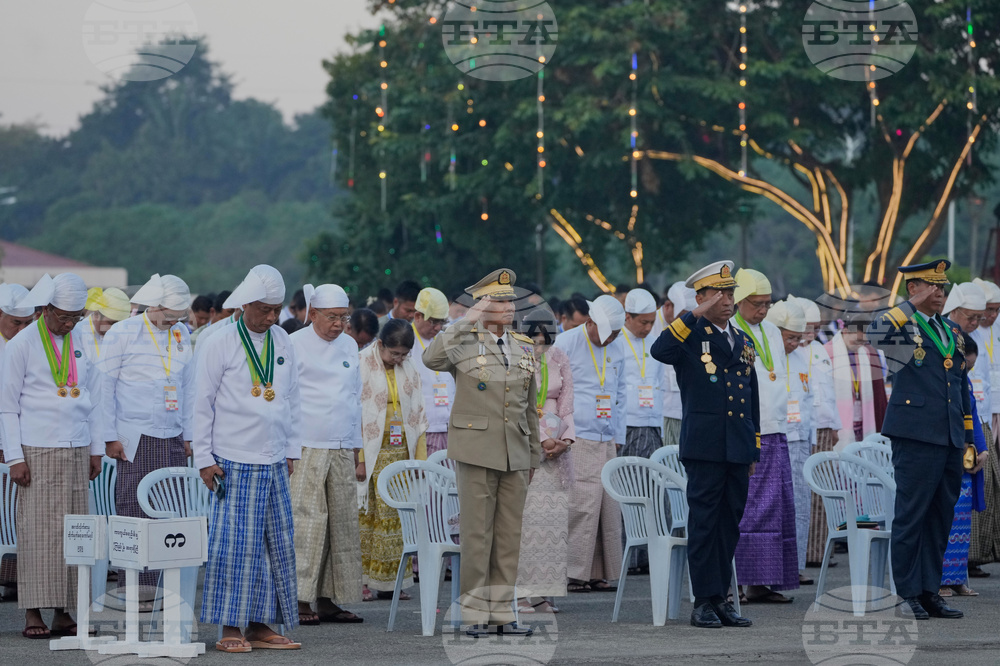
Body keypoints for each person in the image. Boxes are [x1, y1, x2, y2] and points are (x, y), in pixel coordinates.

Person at [423, 268, 540, 636]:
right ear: (482, 304)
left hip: (514, 450)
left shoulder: (524, 345)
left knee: (508, 536)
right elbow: (431, 358)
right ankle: (473, 614)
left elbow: (529, 405)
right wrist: (467, 318)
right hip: (476, 448)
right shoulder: (464, 340)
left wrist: (533, 453)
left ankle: (503, 613)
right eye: (499, 301)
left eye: (509, 300)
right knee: (477, 535)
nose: (508, 306)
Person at [193, 264, 302, 652]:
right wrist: (204, 458)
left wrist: (291, 450)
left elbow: (291, 399)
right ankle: (229, 630)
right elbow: (200, 404)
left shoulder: (282, 340)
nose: (272, 317)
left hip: (273, 458)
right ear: (244, 304)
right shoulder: (218, 340)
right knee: (235, 547)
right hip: (232, 459)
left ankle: (260, 626)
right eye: (264, 309)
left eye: (276, 310)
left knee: (275, 544)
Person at [651, 260, 757, 628]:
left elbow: (750, 395)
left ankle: (721, 598)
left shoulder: (743, 339)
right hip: (706, 446)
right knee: (704, 524)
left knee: (730, 524)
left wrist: (753, 444)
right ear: (701, 297)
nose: (727, 300)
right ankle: (702, 601)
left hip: (738, 445)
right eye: (719, 293)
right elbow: (660, 350)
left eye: (730, 293)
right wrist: (694, 313)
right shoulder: (690, 334)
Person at [0, 273, 107, 639]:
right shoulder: (22, 344)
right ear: (45, 309)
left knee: (75, 531)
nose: (69, 323)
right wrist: (15, 457)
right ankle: (33, 612)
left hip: (76, 448)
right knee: (38, 531)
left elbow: (95, 398)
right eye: (63, 316)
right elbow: (7, 407)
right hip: (36, 449)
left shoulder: (81, 340)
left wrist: (96, 449)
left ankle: (66, 611)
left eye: (76, 316)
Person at [865, 259, 970, 620]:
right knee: (912, 516)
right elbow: (874, 332)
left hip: (950, 435)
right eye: (931, 285)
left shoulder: (951, 331)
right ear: (913, 289)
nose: (940, 292)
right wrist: (909, 305)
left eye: (943, 286)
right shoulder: (902, 328)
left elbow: (960, 386)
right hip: (915, 434)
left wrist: (969, 437)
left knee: (940, 517)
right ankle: (907, 593)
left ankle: (930, 591)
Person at [101, 274, 195, 609]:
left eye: (179, 316)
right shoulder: (122, 332)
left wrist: (190, 435)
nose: (174, 321)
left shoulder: (181, 333)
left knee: (170, 512)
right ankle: (133, 592)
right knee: (134, 511)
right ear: (153, 306)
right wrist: (109, 437)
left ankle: (165, 591)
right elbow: (105, 388)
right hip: (134, 437)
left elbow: (189, 388)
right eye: (169, 315)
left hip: (173, 435)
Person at [290, 284, 364, 625]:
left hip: (341, 445)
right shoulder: (294, 344)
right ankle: (301, 599)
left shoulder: (350, 344)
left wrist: (358, 447)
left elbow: (354, 398)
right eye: (332, 317)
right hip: (306, 443)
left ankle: (328, 598)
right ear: (314, 313)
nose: (338, 324)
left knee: (342, 523)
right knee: (308, 521)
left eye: (344, 317)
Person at [731, 268, 798, 603]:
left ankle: (764, 583)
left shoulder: (771, 330)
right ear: (739, 301)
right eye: (756, 304)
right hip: (748, 433)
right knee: (749, 509)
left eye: (767, 304)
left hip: (777, 431)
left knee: (776, 509)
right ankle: (740, 583)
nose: (762, 310)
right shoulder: (730, 331)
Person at [554, 294, 626, 595]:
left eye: (616, 335)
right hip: (577, 436)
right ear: (591, 322)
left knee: (607, 509)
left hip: (606, 435)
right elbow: (551, 392)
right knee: (580, 506)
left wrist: (618, 436)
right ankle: (573, 573)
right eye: (607, 334)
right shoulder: (566, 343)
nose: (610, 340)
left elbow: (620, 392)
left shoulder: (617, 346)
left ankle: (599, 573)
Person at [357, 318, 428, 602]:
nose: (397, 359)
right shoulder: (362, 363)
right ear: (380, 344)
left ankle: (391, 582)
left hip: (399, 452)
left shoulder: (409, 368)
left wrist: (419, 460)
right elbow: (355, 414)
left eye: (403, 355)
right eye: (393, 354)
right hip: (369, 451)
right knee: (367, 517)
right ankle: (362, 580)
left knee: (397, 518)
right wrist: (359, 459)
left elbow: (419, 414)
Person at [516, 308, 574, 614]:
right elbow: (517, 405)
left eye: (545, 341)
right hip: (528, 446)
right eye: (535, 341)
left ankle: (543, 593)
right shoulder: (517, 358)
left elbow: (567, 402)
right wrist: (541, 440)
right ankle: (522, 595)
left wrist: (565, 440)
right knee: (528, 525)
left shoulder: (560, 358)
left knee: (553, 525)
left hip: (556, 451)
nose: (540, 347)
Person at [787, 295, 843, 568]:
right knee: (799, 494)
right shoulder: (791, 351)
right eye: (808, 327)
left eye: (816, 327)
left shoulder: (820, 350)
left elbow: (831, 392)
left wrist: (835, 426)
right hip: (798, 430)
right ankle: (799, 553)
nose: (812, 333)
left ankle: (818, 552)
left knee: (820, 494)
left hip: (822, 429)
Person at [766, 300, 813, 585]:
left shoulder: (801, 359)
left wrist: (813, 435)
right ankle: (768, 572)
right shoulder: (765, 355)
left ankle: (792, 568)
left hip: (800, 439)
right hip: (775, 438)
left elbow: (811, 399)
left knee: (799, 506)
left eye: (798, 338)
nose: (795, 343)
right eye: (790, 337)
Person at [940, 334, 988, 597]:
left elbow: (974, 416)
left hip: (966, 460)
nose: (966, 369)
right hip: (949, 457)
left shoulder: (964, 383)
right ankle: (939, 579)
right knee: (944, 520)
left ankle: (957, 577)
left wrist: (982, 450)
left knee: (962, 523)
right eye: (964, 365)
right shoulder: (942, 382)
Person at [969, 277, 1000, 577]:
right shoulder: (965, 335)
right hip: (974, 421)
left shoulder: (994, 332)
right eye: (985, 311)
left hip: (990, 417)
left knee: (991, 488)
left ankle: (984, 551)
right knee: (978, 486)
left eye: (995, 310)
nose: (990, 317)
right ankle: (969, 556)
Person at [828, 312, 888, 445]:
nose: (860, 345)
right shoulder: (827, 352)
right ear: (845, 331)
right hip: (840, 417)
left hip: (862, 416)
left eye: (864, 341)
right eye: (857, 341)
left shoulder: (866, 352)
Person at [409, 288, 455, 456]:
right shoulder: (405, 340)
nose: (437, 327)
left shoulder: (445, 339)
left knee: (450, 479)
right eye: (433, 321)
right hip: (421, 428)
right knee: (424, 478)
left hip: (449, 426)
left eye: (442, 322)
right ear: (417, 316)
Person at [620, 288, 663, 458]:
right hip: (625, 423)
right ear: (628, 317)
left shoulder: (656, 343)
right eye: (643, 322)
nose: (648, 327)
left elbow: (660, 384)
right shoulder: (615, 342)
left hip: (652, 422)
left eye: (652, 322)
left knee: (649, 479)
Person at [656, 282, 691, 447]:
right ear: (668, 306)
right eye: (683, 315)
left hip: (685, 407)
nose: (685, 322)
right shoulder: (650, 324)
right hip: (659, 409)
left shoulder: (693, 325)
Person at [76, 287, 131, 361]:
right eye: (111, 323)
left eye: (120, 324)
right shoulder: (77, 335)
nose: (116, 328)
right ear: (96, 315)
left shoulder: (123, 335)